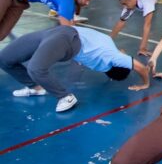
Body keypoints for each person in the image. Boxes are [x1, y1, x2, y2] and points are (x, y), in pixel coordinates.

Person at [0, 25, 150, 112]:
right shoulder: (103, 60)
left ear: (117, 65)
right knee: (4, 59)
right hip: (54, 32)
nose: (124, 51)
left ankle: (65, 96)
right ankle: (36, 87)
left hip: (66, 37)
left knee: (36, 68)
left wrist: (145, 83)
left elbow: (140, 67)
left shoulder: (111, 56)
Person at [0, 0, 94, 39]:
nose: (87, 3)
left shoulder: (69, 2)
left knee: (2, 33)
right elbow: (66, 28)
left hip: (20, 2)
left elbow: (71, 25)